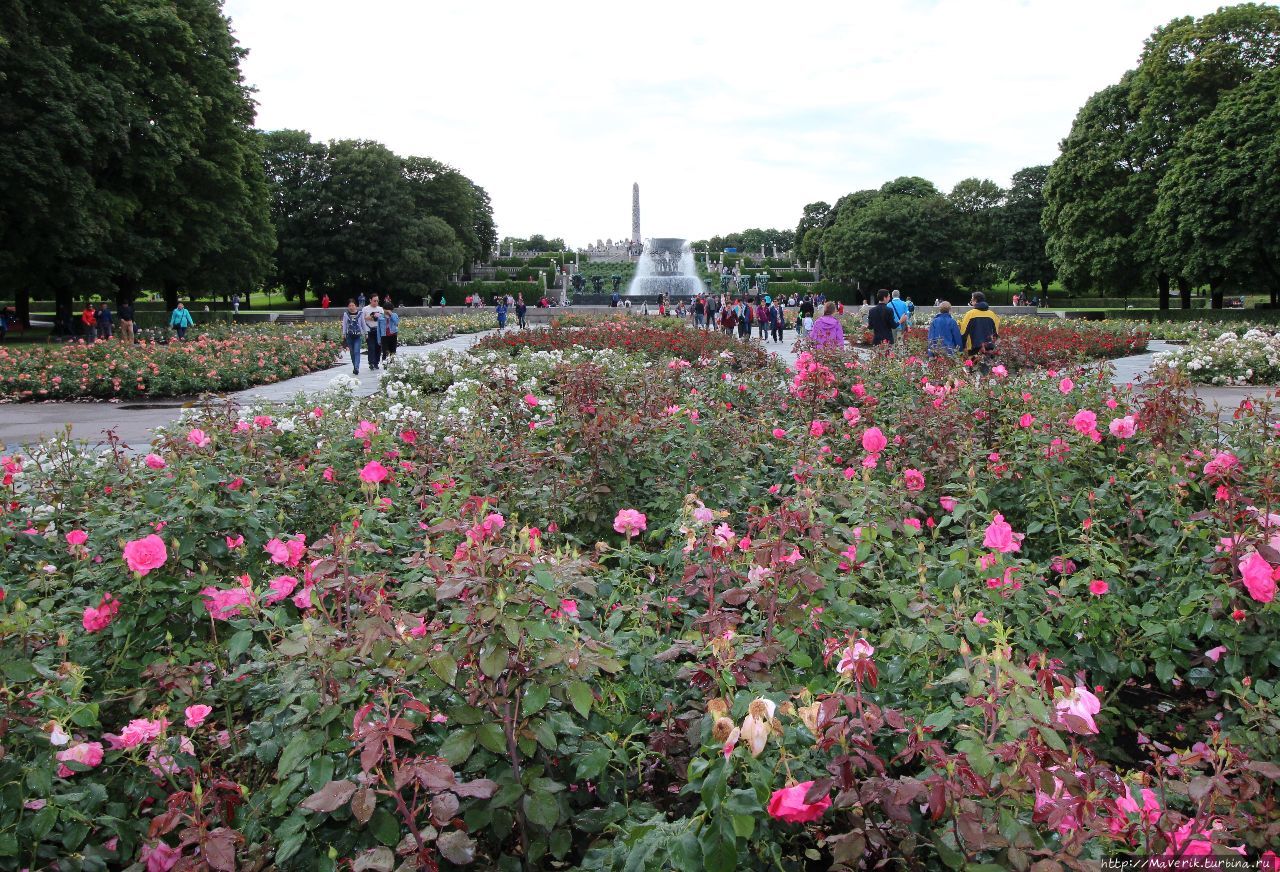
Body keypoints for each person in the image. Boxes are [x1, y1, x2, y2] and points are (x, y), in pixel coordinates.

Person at [959, 292, 1000, 372]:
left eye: (972, 300)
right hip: (988, 347)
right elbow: (996, 332)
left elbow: (963, 332)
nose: (971, 302)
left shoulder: (970, 314)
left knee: (974, 371)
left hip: (974, 347)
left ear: (975, 300)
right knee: (986, 371)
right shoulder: (992, 314)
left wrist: (962, 346)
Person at [361, 294, 384, 370]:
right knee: (371, 347)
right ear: (370, 300)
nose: (376, 302)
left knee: (378, 347)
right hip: (369, 330)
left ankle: (376, 362)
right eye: (374, 301)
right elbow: (361, 320)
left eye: (377, 301)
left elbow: (383, 319)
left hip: (378, 330)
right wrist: (370, 317)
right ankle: (371, 362)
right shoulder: (365, 309)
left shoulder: (380, 309)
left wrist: (378, 317)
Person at [342, 300, 364, 374]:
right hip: (349, 335)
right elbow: (344, 324)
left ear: (356, 306)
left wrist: (365, 333)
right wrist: (343, 333)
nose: (351, 307)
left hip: (358, 335)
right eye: (350, 306)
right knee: (352, 352)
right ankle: (355, 366)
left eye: (353, 305)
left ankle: (357, 367)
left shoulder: (360, 314)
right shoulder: (346, 314)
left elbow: (363, 324)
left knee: (357, 351)